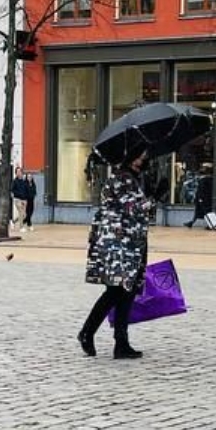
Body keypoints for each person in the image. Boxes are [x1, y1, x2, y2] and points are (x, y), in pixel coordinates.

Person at [80, 151, 155, 359]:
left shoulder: (133, 178)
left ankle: (121, 342)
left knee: (127, 292)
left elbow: (141, 212)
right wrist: (154, 197)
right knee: (115, 291)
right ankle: (87, 332)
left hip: (132, 242)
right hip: (117, 244)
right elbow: (132, 208)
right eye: (140, 155)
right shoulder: (121, 178)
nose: (143, 159)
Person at [186, 164, 215, 228]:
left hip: (203, 199)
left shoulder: (204, 180)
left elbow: (201, 190)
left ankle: (211, 224)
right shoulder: (210, 179)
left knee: (205, 212)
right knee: (202, 212)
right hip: (206, 198)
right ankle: (191, 223)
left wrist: (200, 198)